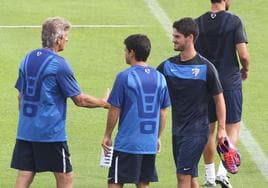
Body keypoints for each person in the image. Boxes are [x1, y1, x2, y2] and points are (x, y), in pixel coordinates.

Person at [11, 17, 110, 188]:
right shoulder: (59, 64)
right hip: (50, 134)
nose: (67, 39)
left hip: (25, 131)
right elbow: (80, 100)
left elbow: (20, 96)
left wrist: (29, 123)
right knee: (65, 177)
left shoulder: (26, 59)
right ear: (57, 39)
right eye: (65, 36)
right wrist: (104, 103)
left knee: (25, 174)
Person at [157, 17, 227, 188]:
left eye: (177, 36)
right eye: (173, 35)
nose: (173, 39)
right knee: (191, 178)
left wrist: (222, 129)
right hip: (177, 131)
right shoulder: (168, 66)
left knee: (182, 176)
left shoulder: (205, 68)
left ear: (190, 37)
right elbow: (151, 81)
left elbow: (219, 100)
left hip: (197, 132)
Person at [102, 34, 170, 188]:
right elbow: (163, 112)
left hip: (127, 143)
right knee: (143, 184)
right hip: (149, 144)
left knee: (115, 182)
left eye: (125, 50)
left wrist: (107, 135)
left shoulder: (125, 76)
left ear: (132, 53)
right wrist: (157, 137)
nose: (124, 53)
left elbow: (114, 109)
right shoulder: (160, 78)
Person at [195, 0, 250, 187]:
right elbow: (243, 54)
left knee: (208, 130)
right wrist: (246, 69)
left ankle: (209, 176)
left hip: (205, 81)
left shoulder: (197, 22)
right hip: (228, 81)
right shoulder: (234, 21)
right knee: (231, 126)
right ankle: (223, 172)